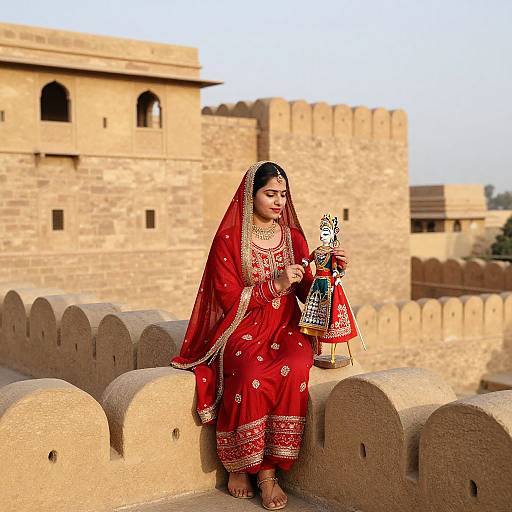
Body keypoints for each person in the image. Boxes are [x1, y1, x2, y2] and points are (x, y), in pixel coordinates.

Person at [170, 161, 349, 510]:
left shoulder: (294, 237)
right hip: (243, 324)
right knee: (252, 371)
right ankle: (239, 464)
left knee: (296, 366)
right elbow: (226, 299)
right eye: (270, 194)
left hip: (286, 325)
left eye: (283, 194)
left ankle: (268, 472)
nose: (279, 201)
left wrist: (330, 272)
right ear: (250, 196)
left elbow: (307, 291)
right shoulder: (229, 241)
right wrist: (275, 284)